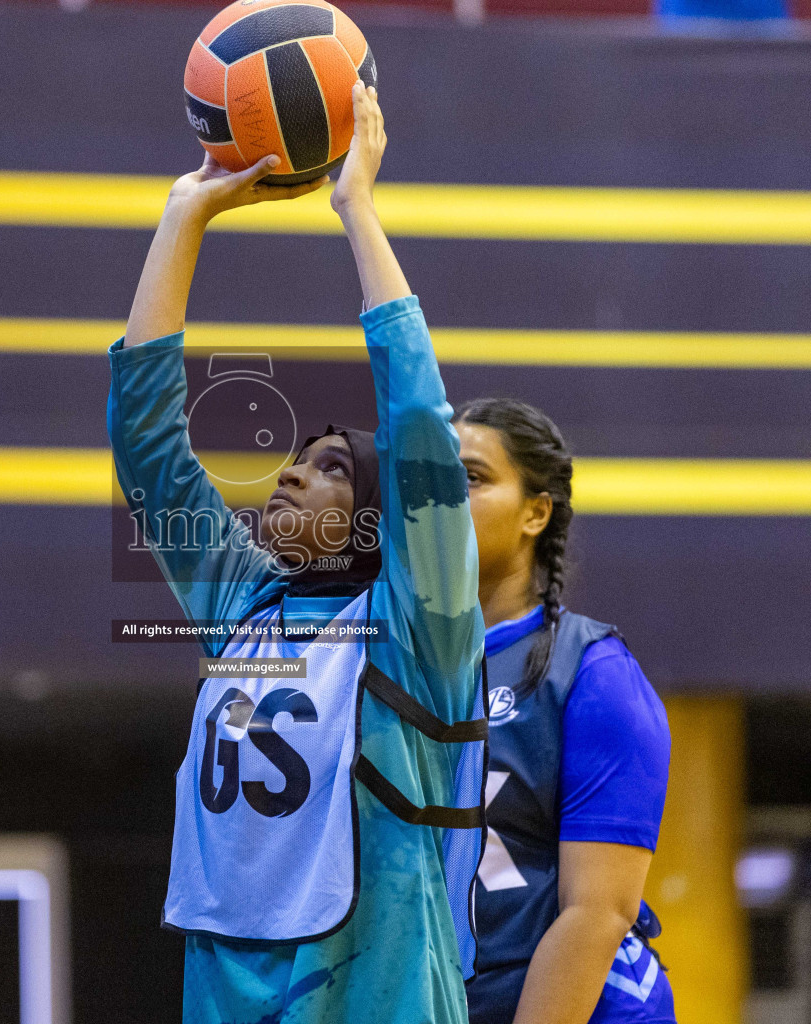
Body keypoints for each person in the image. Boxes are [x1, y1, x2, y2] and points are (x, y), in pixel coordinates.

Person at [108, 84, 487, 1024]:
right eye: (290, 459)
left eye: (325, 468)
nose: (287, 476)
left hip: (377, 982)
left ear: (376, 517)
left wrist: (357, 207)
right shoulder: (247, 606)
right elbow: (148, 446)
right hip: (227, 977)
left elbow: (420, 433)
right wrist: (184, 215)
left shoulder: (419, 629)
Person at [455, 398, 677, 1024]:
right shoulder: (390, 660)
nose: (442, 499)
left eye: (470, 478)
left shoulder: (593, 672)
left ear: (536, 512)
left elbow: (599, 912)